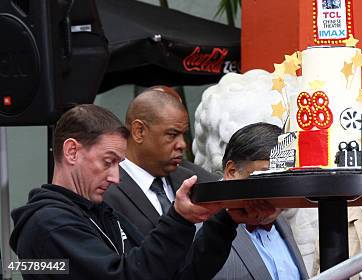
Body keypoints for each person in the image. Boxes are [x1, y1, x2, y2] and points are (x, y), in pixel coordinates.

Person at [9, 104, 274, 280]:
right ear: (72, 151)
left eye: (118, 164)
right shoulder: (47, 224)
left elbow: (177, 274)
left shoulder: (100, 213)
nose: (115, 177)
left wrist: (225, 220)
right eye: (107, 161)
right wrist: (180, 218)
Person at [104, 88, 218, 235]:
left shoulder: (193, 180)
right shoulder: (104, 189)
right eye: (172, 134)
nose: (182, 144)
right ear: (139, 131)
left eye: (183, 135)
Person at [208, 122, 309, 280]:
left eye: (285, 180)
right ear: (232, 172)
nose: (278, 192)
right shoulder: (200, 231)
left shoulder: (280, 221)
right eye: (266, 179)